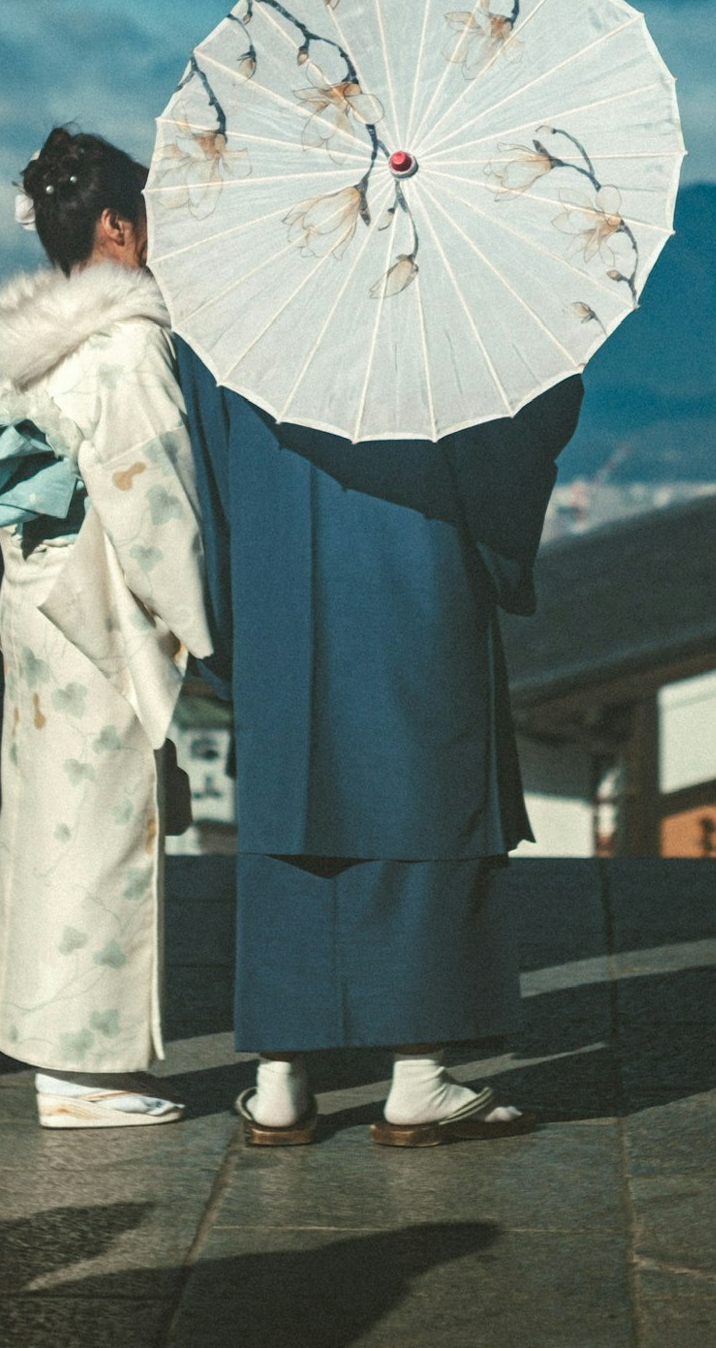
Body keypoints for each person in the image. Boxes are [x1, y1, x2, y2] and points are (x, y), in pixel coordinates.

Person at [176, 344, 582, 1146]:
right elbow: (513, 432)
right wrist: (558, 377)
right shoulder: (438, 304)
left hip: (276, 589)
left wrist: (222, 634)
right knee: (423, 806)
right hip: (413, 575)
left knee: (290, 823)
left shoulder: (238, 314)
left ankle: (279, 1083)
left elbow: (203, 482)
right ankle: (418, 1079)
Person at [0, 127, 211, 1128]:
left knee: (49, 833)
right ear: (115, 224)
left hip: (38, 604)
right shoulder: (125, 342)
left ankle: (56, 1051)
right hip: (98, 610)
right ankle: (79, 1070)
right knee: (103, 837)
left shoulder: (35, 348)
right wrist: (202, 616)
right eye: (145, 213)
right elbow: (153, 495)